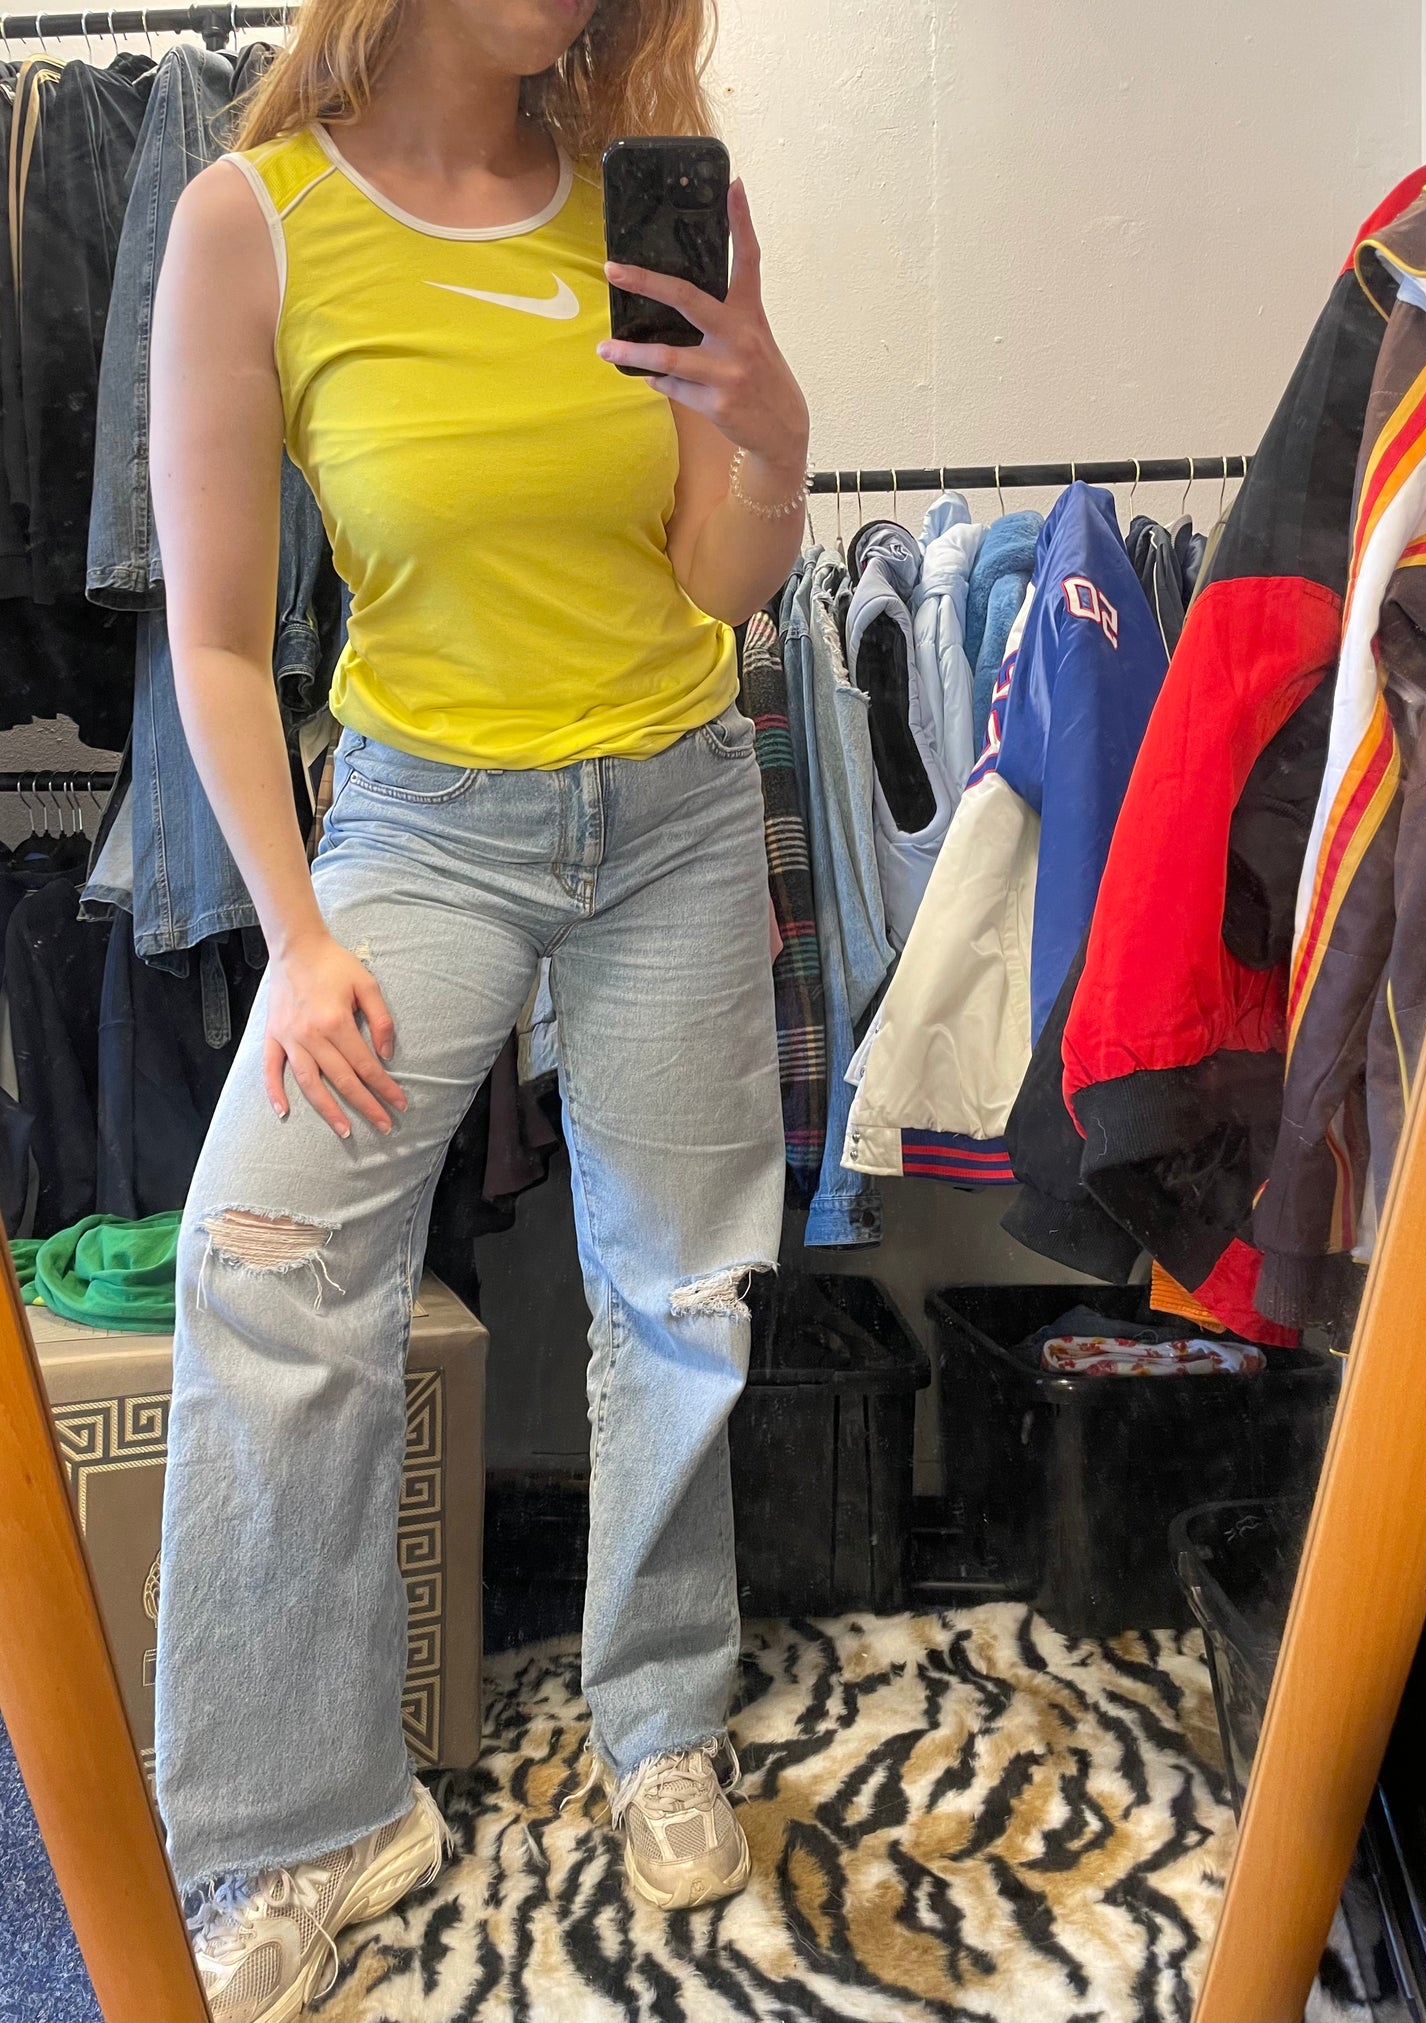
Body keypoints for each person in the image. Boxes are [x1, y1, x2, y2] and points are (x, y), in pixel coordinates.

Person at [148, 0, 808, 2009]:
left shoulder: (642, 210)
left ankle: (662, 1721)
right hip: (417, 830)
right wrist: (295, 931)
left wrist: (765, 416)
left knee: (679, 1288)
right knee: (264, 1264)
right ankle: (307, 1817)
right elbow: (210, 631)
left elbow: (721, 584)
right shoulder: (252, 221)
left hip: (676, 803)